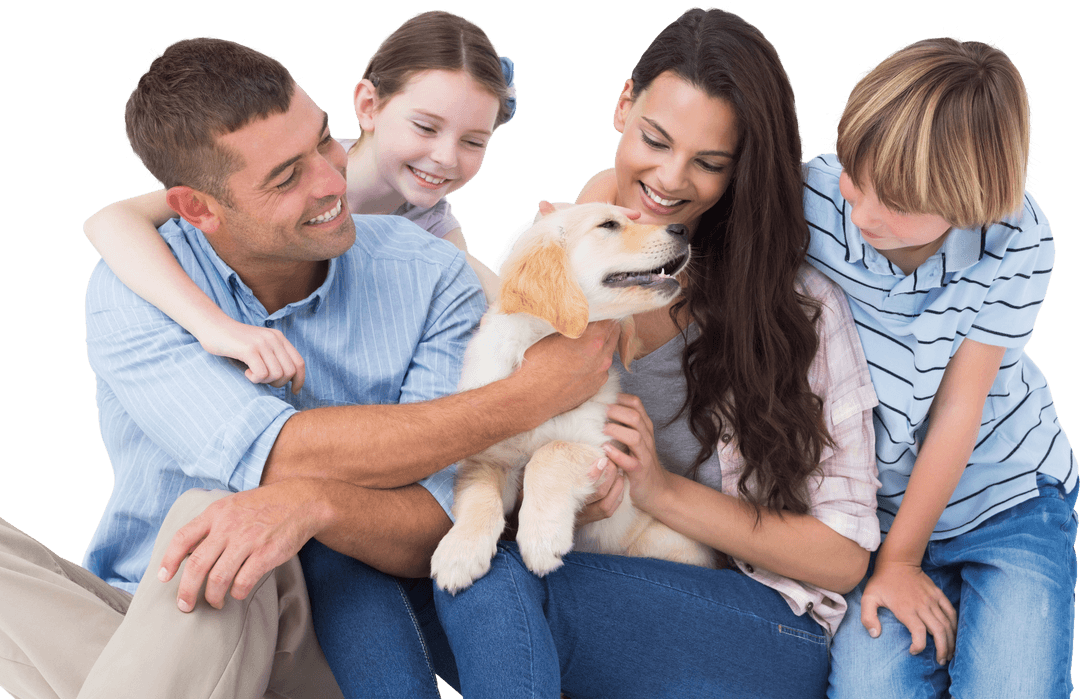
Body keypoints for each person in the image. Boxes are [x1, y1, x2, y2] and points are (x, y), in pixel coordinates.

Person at [0, 35, 618, 699]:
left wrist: (312, 503)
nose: (333, 180)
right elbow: (281, 455)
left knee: (221, 517)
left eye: (326, 141)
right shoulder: (138, 287)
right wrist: (527, 396)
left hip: (299, 620)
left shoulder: (433, 276)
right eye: (286, 176)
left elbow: (436, 522)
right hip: (131, 613)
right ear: (198, 208)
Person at [423, 8, 882, 698]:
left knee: (496, 585)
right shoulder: (577, 248)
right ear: (622, 105)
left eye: (709, 163)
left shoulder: (799, 309)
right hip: (614, 577)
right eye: (656, 140)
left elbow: (843, 557)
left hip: (761, 621)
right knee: (406, 569)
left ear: (739, 170)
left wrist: (660, 490)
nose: (669, 180)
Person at [802, 37, 1077, 698]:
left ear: (969, 201)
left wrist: (900, 561)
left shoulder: (1017, 238)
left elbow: (960, 407)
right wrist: (889, 556)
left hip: (1006, 497)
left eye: (894, 202)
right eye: (855, 176)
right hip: (881, 511)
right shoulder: (810, 198)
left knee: (1012, 683)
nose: (863, 211)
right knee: (870, 687)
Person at [82, 10, 509, 401]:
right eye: (425, 127)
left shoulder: (439, 243)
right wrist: (213, 327)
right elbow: (112, 220)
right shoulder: (289, 159)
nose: (447, 157)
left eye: (474, 141)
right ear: (367, 106)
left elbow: (499, 304)